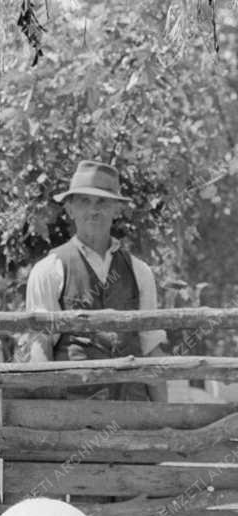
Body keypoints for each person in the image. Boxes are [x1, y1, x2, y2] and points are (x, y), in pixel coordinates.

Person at [25, 159, 167, 398]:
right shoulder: (49, 269)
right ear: (70, 209)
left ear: (117, 209)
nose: (94, 210)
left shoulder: (139, 271)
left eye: (102, 201)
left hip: (133, 416)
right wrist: (50, 418)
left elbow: (151, 347)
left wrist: (164, 418)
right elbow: (41, 349)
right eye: (84, 201)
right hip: (75, 416)